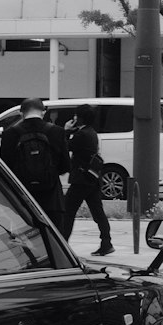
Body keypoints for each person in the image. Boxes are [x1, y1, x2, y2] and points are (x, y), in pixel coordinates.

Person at [0, 97, 69, 224]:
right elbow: (65, 166)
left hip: (22, 197)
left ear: (21, 113)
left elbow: (5, 166)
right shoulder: (57, 132)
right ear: (43, 112)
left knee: (26, 240)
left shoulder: (9, 134)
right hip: (52, 198)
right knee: (54, 239)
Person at [61, 103, 113, 256]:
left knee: (67, 211)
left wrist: (65, 131)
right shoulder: (91, 132)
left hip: (81, 180)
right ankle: (106, 242)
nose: (74, 118)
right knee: (98, 212)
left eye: (76, 115)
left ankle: (62, 244)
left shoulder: (81, 135)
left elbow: (66, 147)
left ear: (80, 117)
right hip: (92, 177)